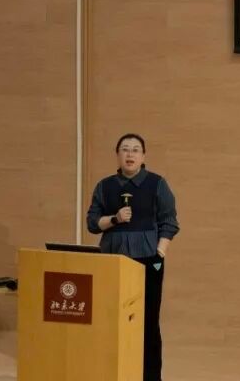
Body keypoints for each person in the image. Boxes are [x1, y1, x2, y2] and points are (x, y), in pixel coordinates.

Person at [86, 133, 179, 381]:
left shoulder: (157, 184)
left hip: (149, 260)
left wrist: (159, 253)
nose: (130, 154)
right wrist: (114, 219)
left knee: (148, 322)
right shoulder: (105, 186)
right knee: (109, 318)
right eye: (125, 149)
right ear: (117, 155)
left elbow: (170, 222)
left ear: (143, 156)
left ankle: (149, 377)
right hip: (111, 262)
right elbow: (92, 223)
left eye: (135, 150)